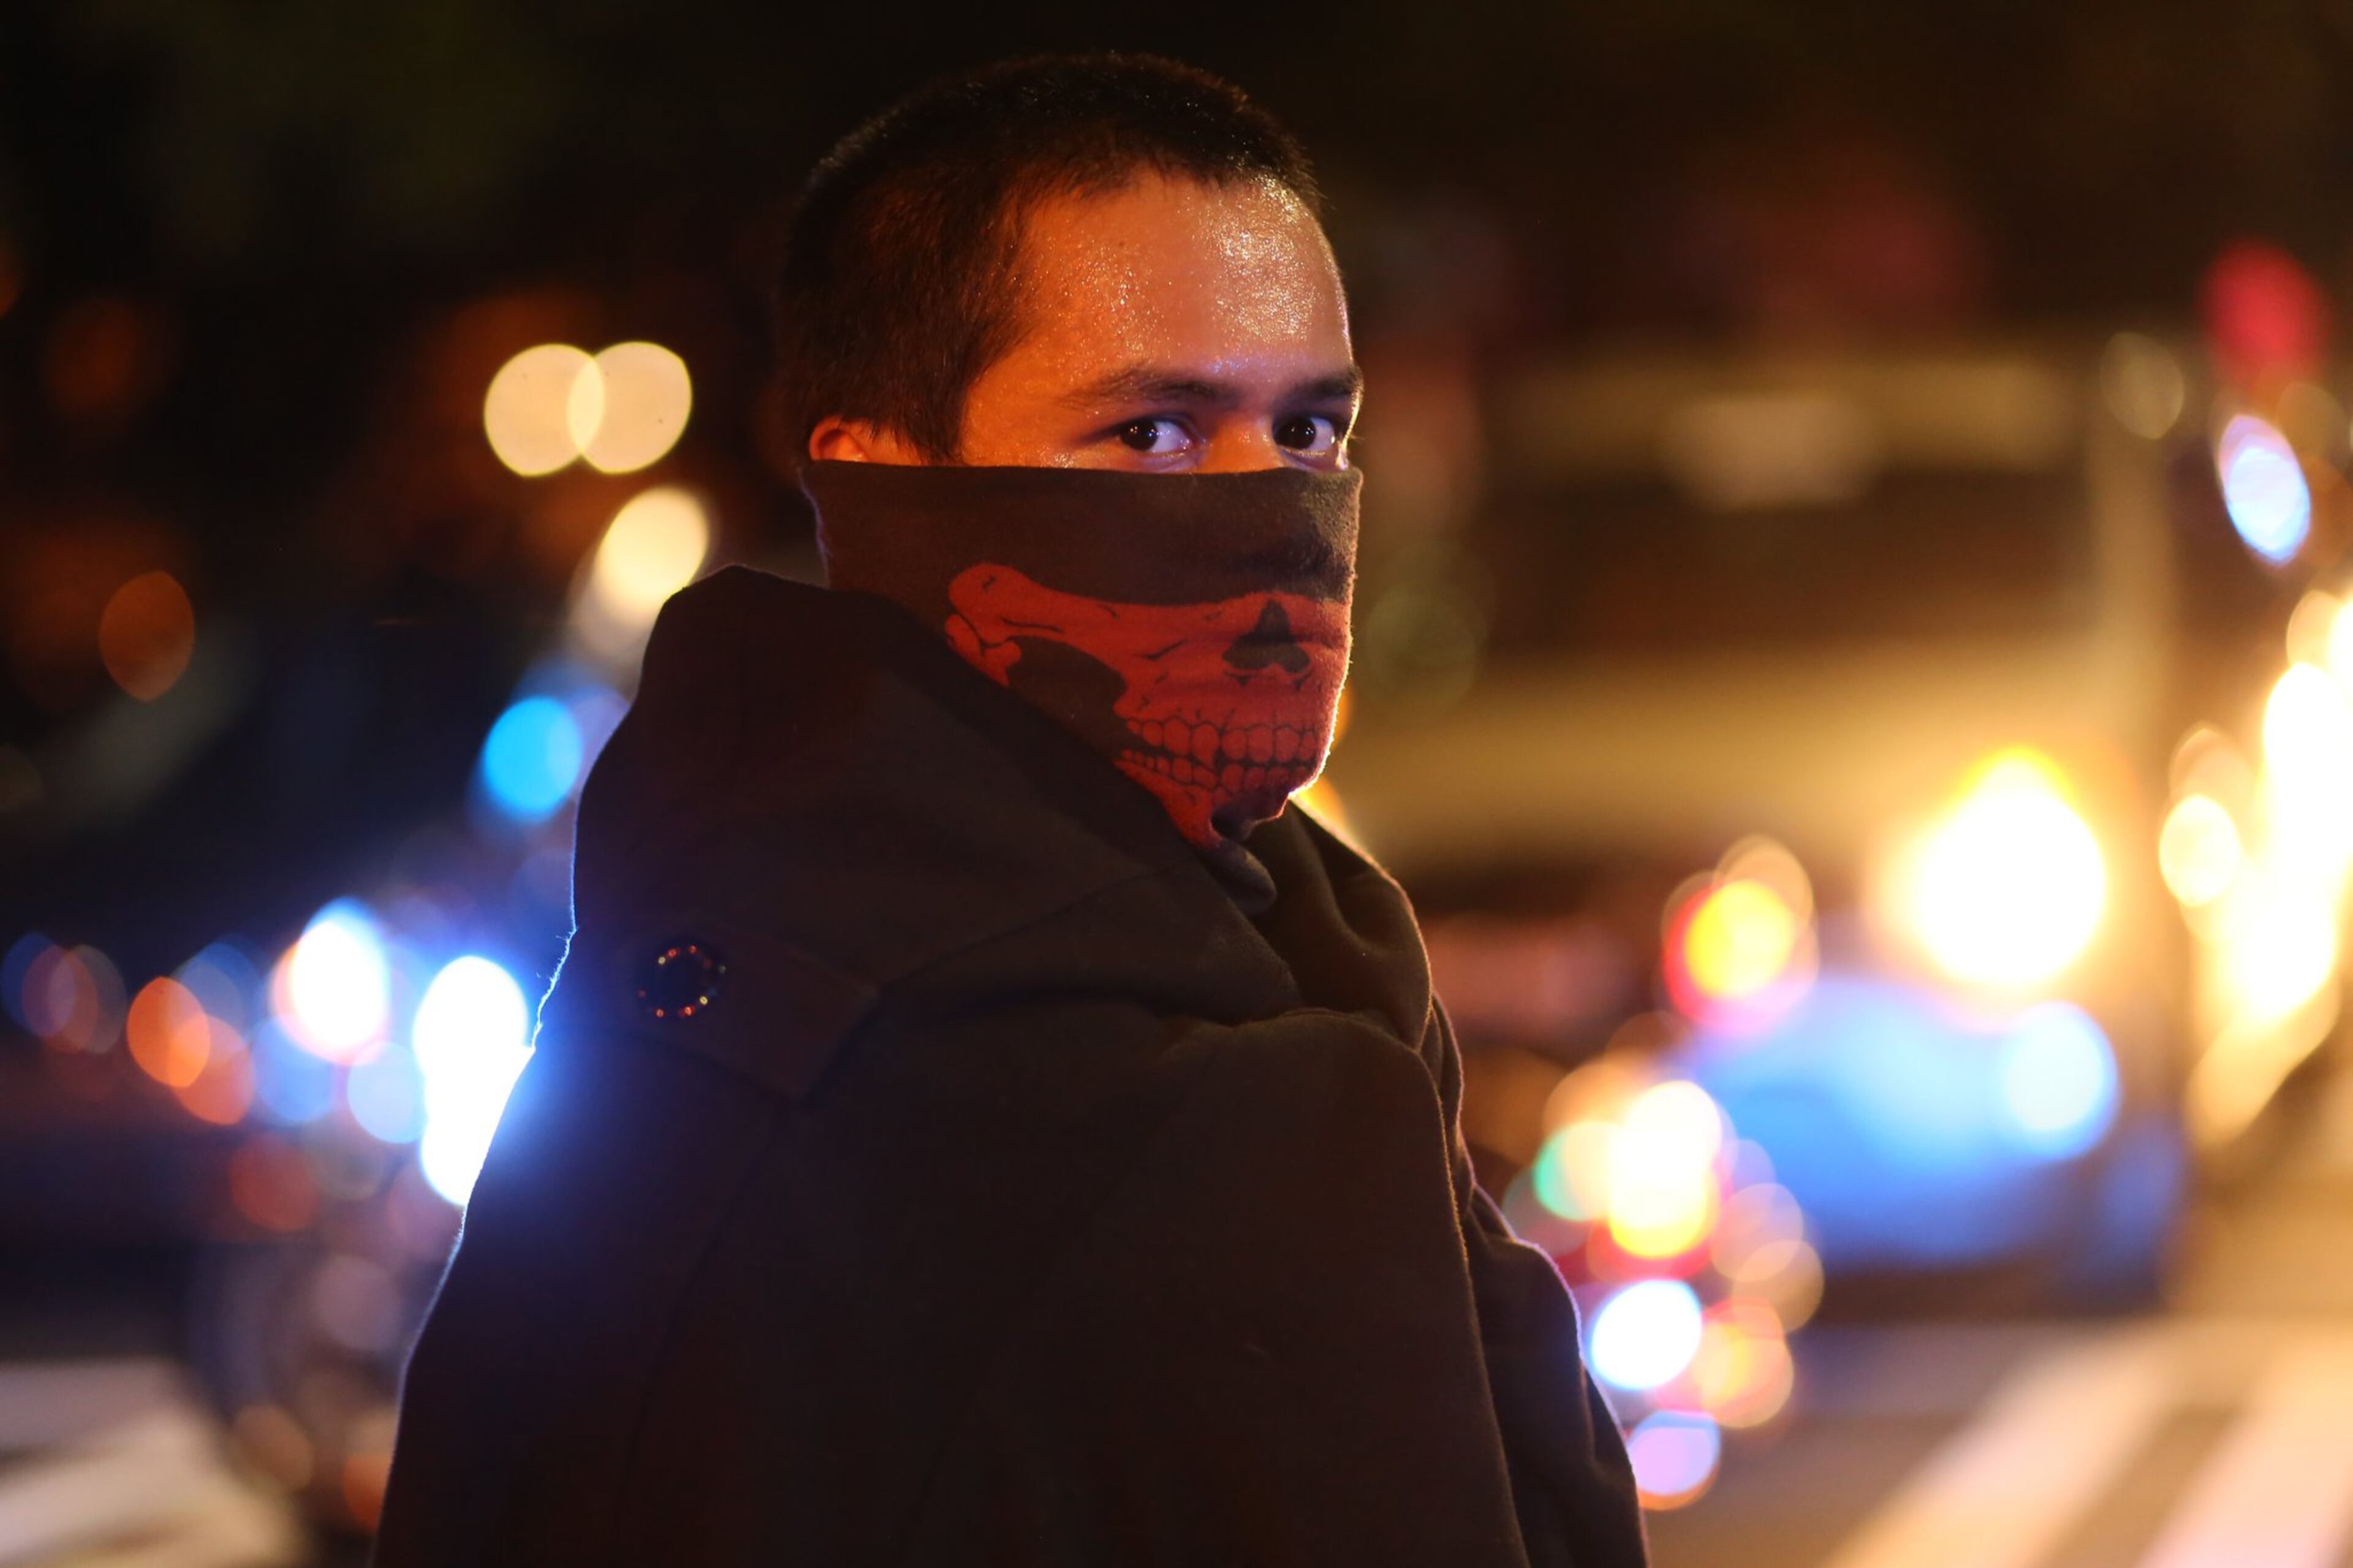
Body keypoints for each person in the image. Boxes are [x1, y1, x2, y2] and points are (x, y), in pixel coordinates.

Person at [373, 52, 1648, 1567]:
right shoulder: (1214, 1111)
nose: (1270, 515)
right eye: (1154, 434)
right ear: (880, 481)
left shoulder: (670, 986)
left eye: (1307, 431)